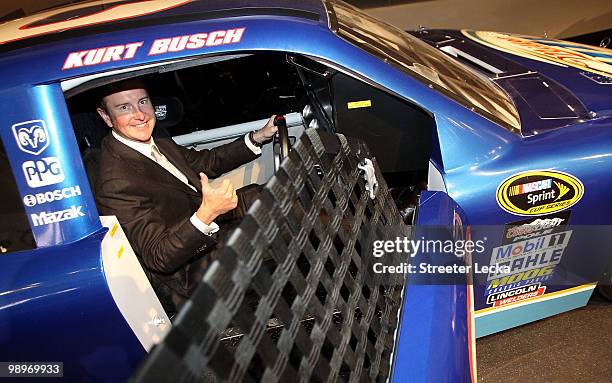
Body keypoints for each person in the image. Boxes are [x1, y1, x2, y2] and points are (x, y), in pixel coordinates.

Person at [94, 78, 277, 312]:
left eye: (143, 102)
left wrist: (258, 137)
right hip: (189, 268)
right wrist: (206, 213)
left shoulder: (156, 135)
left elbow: (203, 162)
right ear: (106, 117)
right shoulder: (115, 182)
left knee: (272, 195)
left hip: (204, 220)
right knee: (269, 229)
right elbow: (159, 256)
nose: (140, 114)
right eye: (124, 108)